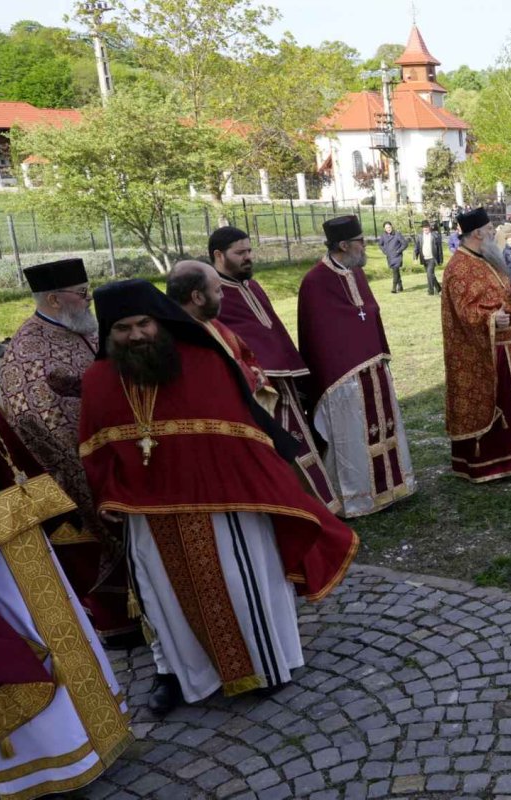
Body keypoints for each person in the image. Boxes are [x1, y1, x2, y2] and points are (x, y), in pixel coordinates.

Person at [79, 279, 359, 715]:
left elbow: (244, 438)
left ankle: (267, 667)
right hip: (148, 515)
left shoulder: (204, 361)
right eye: (122, 329)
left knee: (240, 588)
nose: (135, 336)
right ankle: (178, 674)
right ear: (106, 334)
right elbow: (96, 452)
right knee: (162, 599)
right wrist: (107, 497)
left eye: (143, 323)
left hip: (225, 506)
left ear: (160, 320)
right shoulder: (98, 380)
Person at [0, 385, 132, 800]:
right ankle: (39, 760)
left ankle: (85, 738)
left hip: (17, 531)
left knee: (52, 626)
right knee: (11, 638)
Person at [0, 258, 136, 643]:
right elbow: (37, 419)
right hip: (75, 466)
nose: (89, 300)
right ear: (55, 300)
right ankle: (122, 622)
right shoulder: (27, 351)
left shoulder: (85, 329)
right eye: (82, 294)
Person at [209, 226, 339, 514]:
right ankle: (298, 509)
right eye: (240, 253)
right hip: (257, 391)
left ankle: (323, 507)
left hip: (285, 386)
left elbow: (273, 332)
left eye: (249, 251)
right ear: (219, 255)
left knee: (301, 442)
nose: (248, 257)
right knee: (278, 450)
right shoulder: (215, 295)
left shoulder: (251, 285)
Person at [297, 216, 417, 516]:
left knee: (385, 428)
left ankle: (392, 487)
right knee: (352, 436)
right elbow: (316, 337)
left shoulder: (356, 272)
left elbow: (369, 314)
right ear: (343, 245)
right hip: (342, 380)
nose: (366, 245)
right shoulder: (314, 282)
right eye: (360, 241)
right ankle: (358, 497)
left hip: (373, 370)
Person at [441, 208, 511, 481]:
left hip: (509, 346)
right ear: (477, 233)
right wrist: (491, 317)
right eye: (490, 229)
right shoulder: (458, 267)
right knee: (497, 402)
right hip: (486, 351)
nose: (494, 232)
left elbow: (503, 294)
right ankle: (491, 463)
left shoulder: (489, 259)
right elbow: (463, 312)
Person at [167, 260, 278, 414]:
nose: (222, 295)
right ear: (197, 297)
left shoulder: (211, 324)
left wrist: (254, 374)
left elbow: (243, 355)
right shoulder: (180, 337)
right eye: (218, 290)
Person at [412, 220, 444, 296]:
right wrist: (415, 258)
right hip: (424, 259)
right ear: (422, 228)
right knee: (431, 275)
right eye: (424, 227)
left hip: (432, 258)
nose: (425, 228)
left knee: (429, 274)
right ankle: (439, 289)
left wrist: (440, 259)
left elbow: (440, 249)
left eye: (427, 227)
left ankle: (430, 291)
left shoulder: (435, 236)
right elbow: (416, 248)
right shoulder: (419, 236)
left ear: (429, 227)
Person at [378, 221, 408, 293]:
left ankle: (394, 288)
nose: (388, 229)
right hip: (390, 257)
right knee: (396, 271)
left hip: (397, 256)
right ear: (384, 229)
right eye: (386, 228)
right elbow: (380, 244)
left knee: (395, 271)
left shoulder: (397, 234)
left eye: (389, 227)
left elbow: (405, 244)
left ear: (391, 227)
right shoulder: (383, 236)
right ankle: (400, 286)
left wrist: (399, 251)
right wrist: (385, 251)